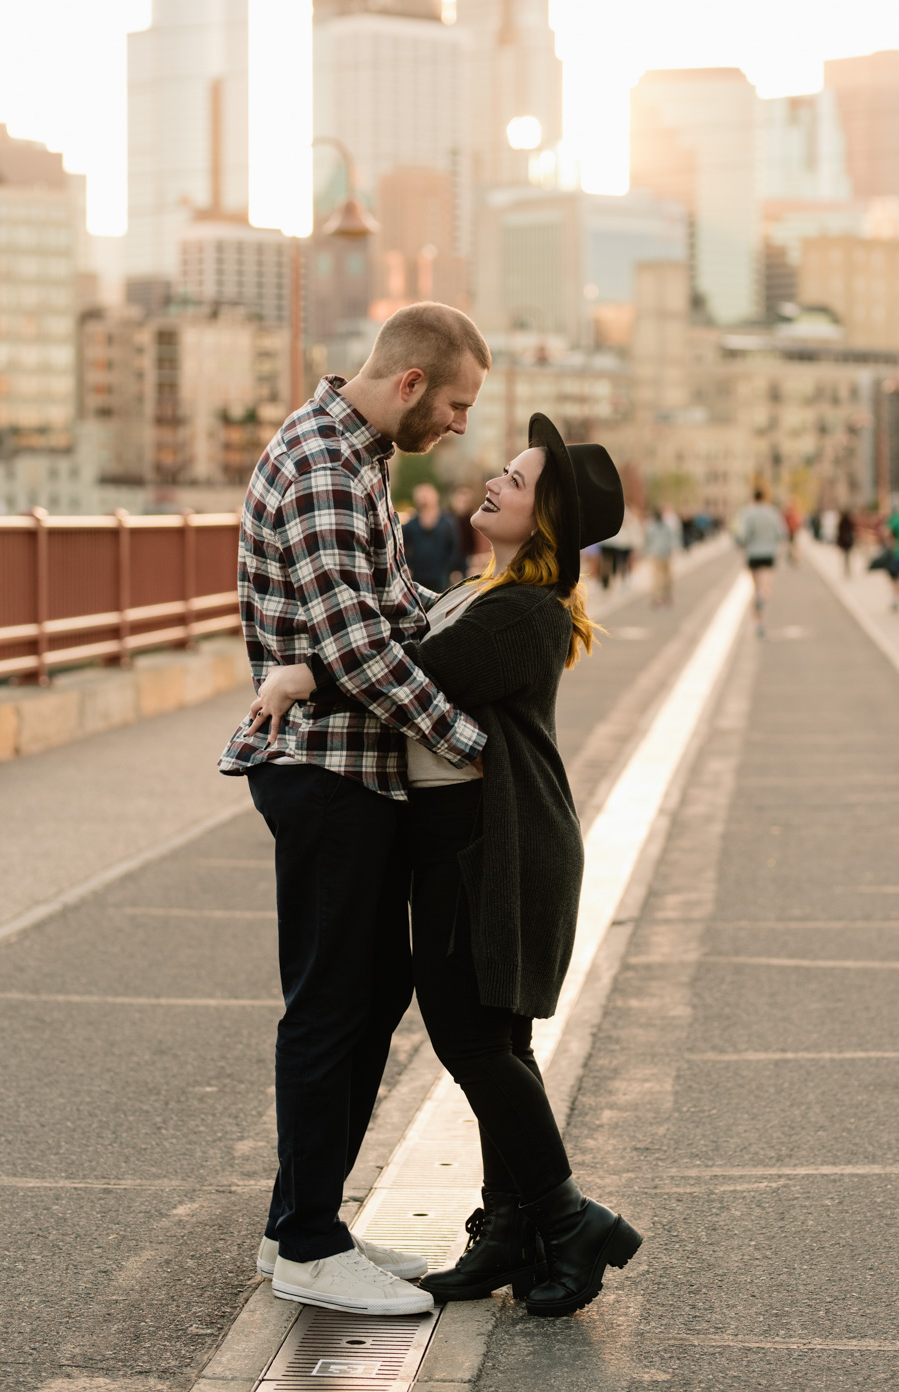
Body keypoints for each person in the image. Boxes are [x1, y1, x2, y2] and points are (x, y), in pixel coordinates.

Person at [252, 413, 644, 1320]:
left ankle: (565, 1216)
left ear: (542, 519)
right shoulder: (481, 589)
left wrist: (300, 675)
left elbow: (413, 673)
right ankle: (509, 1226)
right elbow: (406, 633)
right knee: (496, 1039)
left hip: (493, 840)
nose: (496, 481)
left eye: (517, 478)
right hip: (473, 833)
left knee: (472, 1039)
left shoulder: (522, 613)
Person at [218, 302, 491, 1318]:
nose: (463, 425)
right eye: (459, 403)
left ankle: (308, 1219)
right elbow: (356, 651)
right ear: (412, 383)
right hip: (326, 769)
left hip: (352, 766)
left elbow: (395, 611)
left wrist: (478, 617)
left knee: (369, 992)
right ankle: (306, 1242)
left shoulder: (358, 454)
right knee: (334, 998)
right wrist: (473, 743)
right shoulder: (329, 469)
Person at [735, 487, 788, 637]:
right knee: (766, 586)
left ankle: (758, 622)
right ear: (765, 497)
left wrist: (741, 545)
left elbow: (742, 534)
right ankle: (763, 596)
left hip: (753, 554)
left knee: (755, 586)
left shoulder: (747, 514)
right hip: (769, 553)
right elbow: (781, 533)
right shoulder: (773, 513)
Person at [402, 481, 467, 593]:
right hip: (417, 577)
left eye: (427, 494)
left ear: (435, 496)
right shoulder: (411, 524)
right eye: (421, 495)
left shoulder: (448, 522)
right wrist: (409, 566)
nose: (424, 498)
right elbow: (402, 546)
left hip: (440, 576)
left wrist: (449, 568)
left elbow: (455, 547)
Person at [643, 506, 675, 607]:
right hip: (661, 554)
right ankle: (661, 597)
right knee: (662, 577)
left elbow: (648, 540)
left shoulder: (655, 527)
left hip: (660, 554)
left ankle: (661, 596)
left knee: (661, 577)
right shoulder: (658, 527)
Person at [836, 508, 856, 577]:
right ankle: (847, 570)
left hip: (845, 542)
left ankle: (846, 570)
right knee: (847, 557)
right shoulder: (847, 521)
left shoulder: (842, 522)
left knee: (846, 557)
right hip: (847, 542)